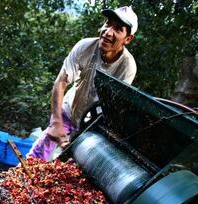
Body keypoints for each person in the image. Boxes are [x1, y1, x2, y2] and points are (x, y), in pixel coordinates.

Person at [29, 6, 138, 161]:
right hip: (69, 111)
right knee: (36, 157)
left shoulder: (127, 66)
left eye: (118, 29)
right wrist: (56, 122)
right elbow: (61, 82)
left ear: (127, 39)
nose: (108, 32)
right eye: (108, 24)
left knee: (70, 170)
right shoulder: (85, 46)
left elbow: (112, 109)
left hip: (92, 125)